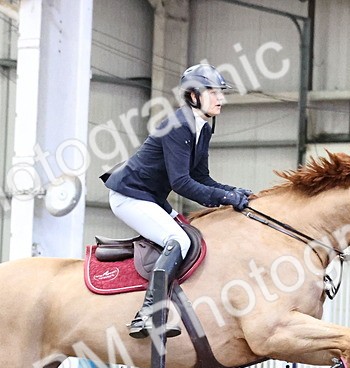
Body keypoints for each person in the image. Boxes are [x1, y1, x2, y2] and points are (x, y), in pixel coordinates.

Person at [103, 62, 251, 339]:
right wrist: (224, 198)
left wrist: (236, 192)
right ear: (194, 96)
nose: (221, 99)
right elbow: (181, 183)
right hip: (129, 196)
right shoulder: (177, 125)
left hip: (152, 198)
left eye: (221, 93)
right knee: (179, 241)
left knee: (193, 235)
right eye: (213, 92)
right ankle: (147, 314)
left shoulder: (203, 127)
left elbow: (202, 177)